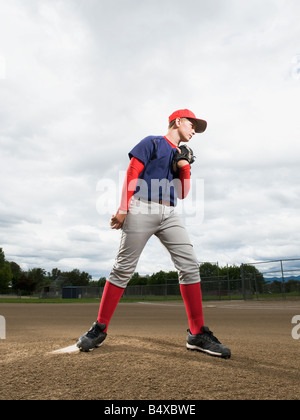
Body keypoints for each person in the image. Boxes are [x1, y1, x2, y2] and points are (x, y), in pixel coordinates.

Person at [77, 109, 231, 359]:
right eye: (192, 125)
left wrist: (184, 168)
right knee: (123, 268)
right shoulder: (153, 142)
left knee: (190, 266)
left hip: (169, 213)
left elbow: (182, 194)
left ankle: (196, 334)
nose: (194, 131)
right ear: (178, 121)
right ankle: (99, 328)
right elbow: (132, 173)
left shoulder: (182, 154)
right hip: (141, 206)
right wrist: (123, 207)